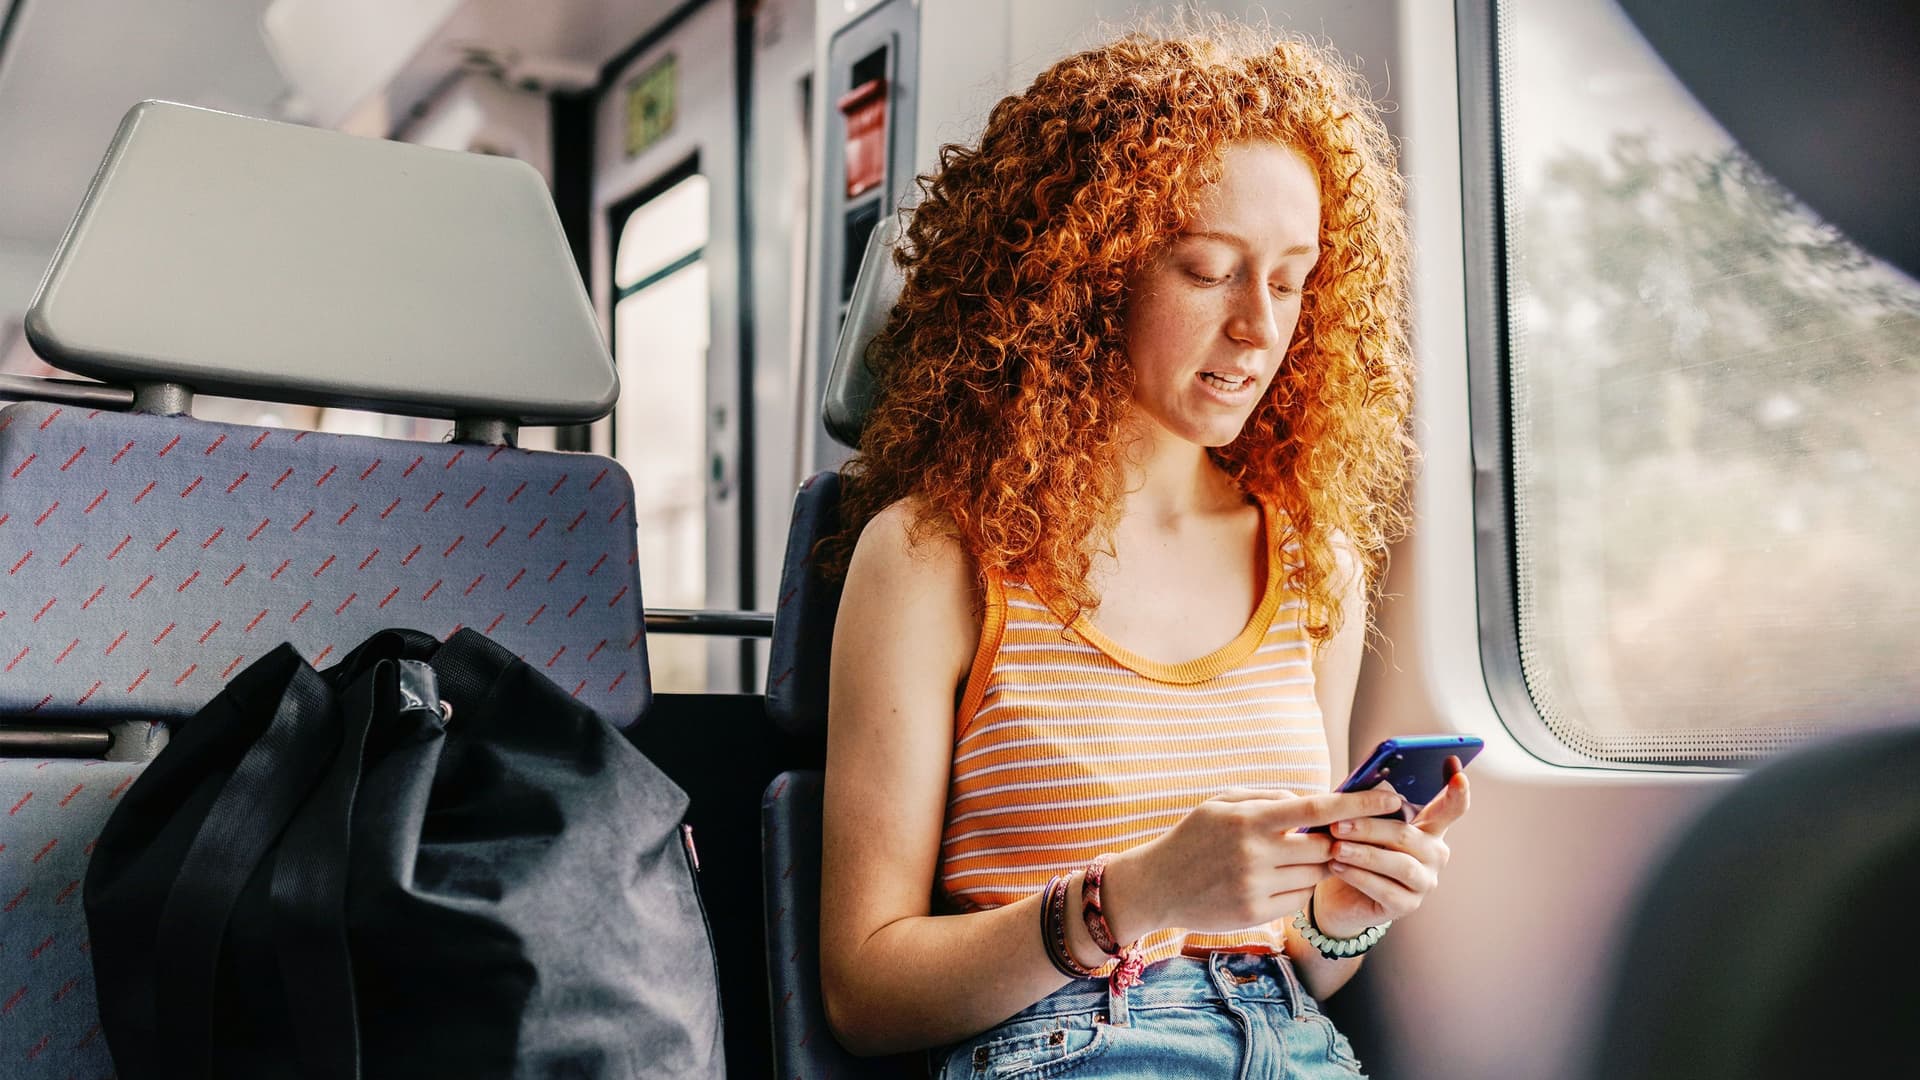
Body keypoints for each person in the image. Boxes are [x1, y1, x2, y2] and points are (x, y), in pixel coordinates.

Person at [816, 21, 1469, 1077]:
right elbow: (864, 989)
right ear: (1088, 277)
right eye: (1208, 270)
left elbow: (1302, 959)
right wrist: (1132, 900)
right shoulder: (934, 557)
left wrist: (1344, 910)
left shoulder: (1314, 567)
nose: (1260, 326)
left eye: (1293, 280)